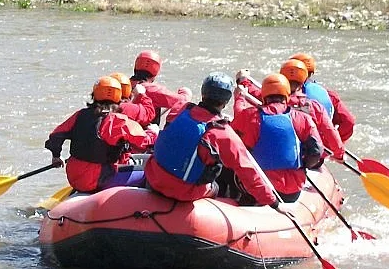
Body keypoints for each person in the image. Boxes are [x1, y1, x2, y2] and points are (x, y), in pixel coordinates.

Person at [144, 72, 281, 209]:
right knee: (219, 181)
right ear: (226, 101)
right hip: (185, 193)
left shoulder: (180, 108)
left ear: (203, 93)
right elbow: (247, 171)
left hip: (154, 179)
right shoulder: (222, 133)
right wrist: (273, 202)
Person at [46, 76, 156, 193]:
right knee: (149, 172)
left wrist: (56, 156)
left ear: (94, 94)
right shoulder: (118, 120)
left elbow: (55, 136)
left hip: (74, 178)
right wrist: (153, 132)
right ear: (119, 96)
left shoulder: (79, 115)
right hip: (98, 179)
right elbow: (145, 142)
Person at [232, 73, 324, 202]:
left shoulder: (251, 116)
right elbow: (316, 153)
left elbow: (234, 133)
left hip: (258, 189)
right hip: (292, 191)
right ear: (286, 94)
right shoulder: (303, 118)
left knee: (229, 163)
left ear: (264, 94)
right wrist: (302, 166)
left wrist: (239, 99)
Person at [279, 59, 345, 160]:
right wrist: (339, 154)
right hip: (308, 159)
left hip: (280, 156)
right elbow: (330, 131)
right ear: (303, 81)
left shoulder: (272, 103)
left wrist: (246, 82)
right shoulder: (314, 106)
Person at [290, 52, 356, 142]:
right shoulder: (329, 94)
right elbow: (349, 122)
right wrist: (335, 141)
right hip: (325, 146)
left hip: (303, 149)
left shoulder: (285, 97)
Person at [129, 50, 191, 123]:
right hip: (145, 132)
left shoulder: (125, 84)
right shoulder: (154, 90)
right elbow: (182, 101)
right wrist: (184, 91)